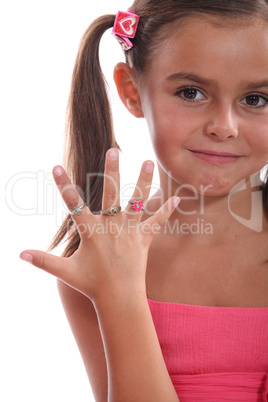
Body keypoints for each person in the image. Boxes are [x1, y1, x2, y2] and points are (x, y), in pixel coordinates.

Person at [20, 0, 268, 400]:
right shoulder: (99, 261)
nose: (224, 126)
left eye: (256, 99)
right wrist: (119, 294)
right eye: (191, 92)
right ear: (132, 92)